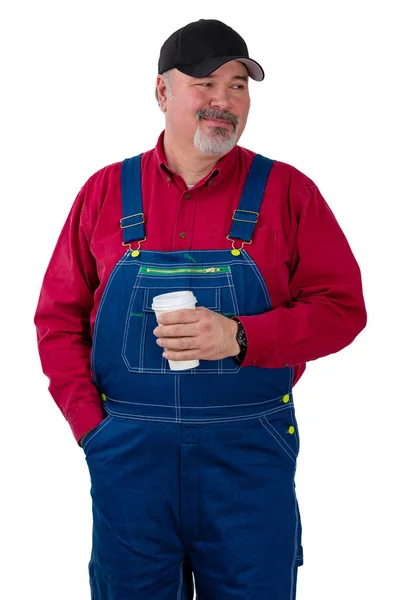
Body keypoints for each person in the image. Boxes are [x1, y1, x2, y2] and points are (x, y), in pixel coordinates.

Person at [34, 18, 367, 600]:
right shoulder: (104, 193)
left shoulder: (289, 193)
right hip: (130, 459)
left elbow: (343, 309)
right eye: (205, 83)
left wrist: (240, 337)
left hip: (248, 461)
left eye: (238, 85)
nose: (224, 101)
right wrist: (92, 429)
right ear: (162, 92)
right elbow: (57, 319)